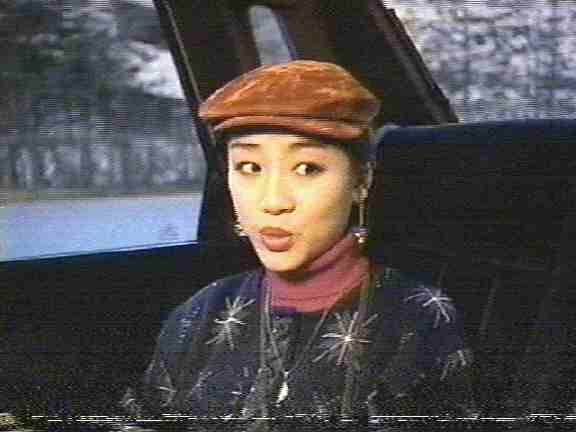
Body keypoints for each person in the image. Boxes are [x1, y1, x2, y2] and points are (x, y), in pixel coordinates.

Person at [121, 61, 477, 424]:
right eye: (249, 167)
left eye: (307, 168)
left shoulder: (418, 316)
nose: (273, 201)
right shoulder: (201, 311)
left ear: (361, 181)